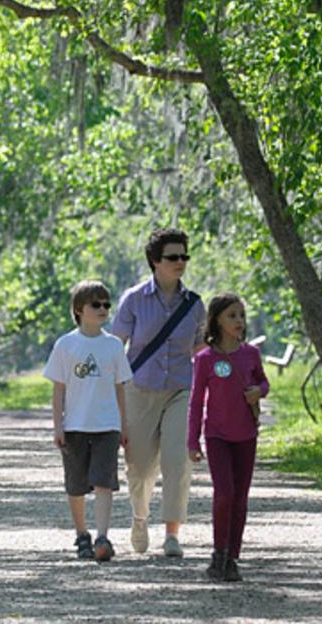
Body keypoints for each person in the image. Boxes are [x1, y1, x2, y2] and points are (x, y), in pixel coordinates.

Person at [110, 227, 206, 558]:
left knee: (178, 462)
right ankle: (139, 518)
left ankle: (172, 534)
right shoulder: (134, 299)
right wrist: (110, 394)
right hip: (139, 389)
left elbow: (200, 350)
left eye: (184, 256)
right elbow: (114, 347)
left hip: (181, 390)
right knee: (139, 468)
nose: (180, 262)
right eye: (172, 257)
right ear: (155, 261)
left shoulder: (194, 304)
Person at [43, 280, 131, 561]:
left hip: (107, 426)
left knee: (105, 482)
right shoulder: (66, 345)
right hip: (75, 426)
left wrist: (124, 425)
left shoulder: (114, 345)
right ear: (79, 309)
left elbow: (120, 388)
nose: (103, 309)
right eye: (96, 304)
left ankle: (103, 537)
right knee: (77, 484)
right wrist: (58, 425)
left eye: (107, 304)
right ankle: (82, 535)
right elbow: (59, 389)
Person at [188, 293, 269, 582]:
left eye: (241, 316)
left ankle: (233, 558)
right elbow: (196, 402)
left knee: (240, 499)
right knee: (224, 494)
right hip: (217, 435)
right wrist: (192, 441)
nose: (239, 321)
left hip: (246, 434)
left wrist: (259, 391)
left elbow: (263, 381)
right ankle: (218, 554)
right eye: (232, 315)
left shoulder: (250, 354)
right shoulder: (205, 359)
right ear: (217, 321)